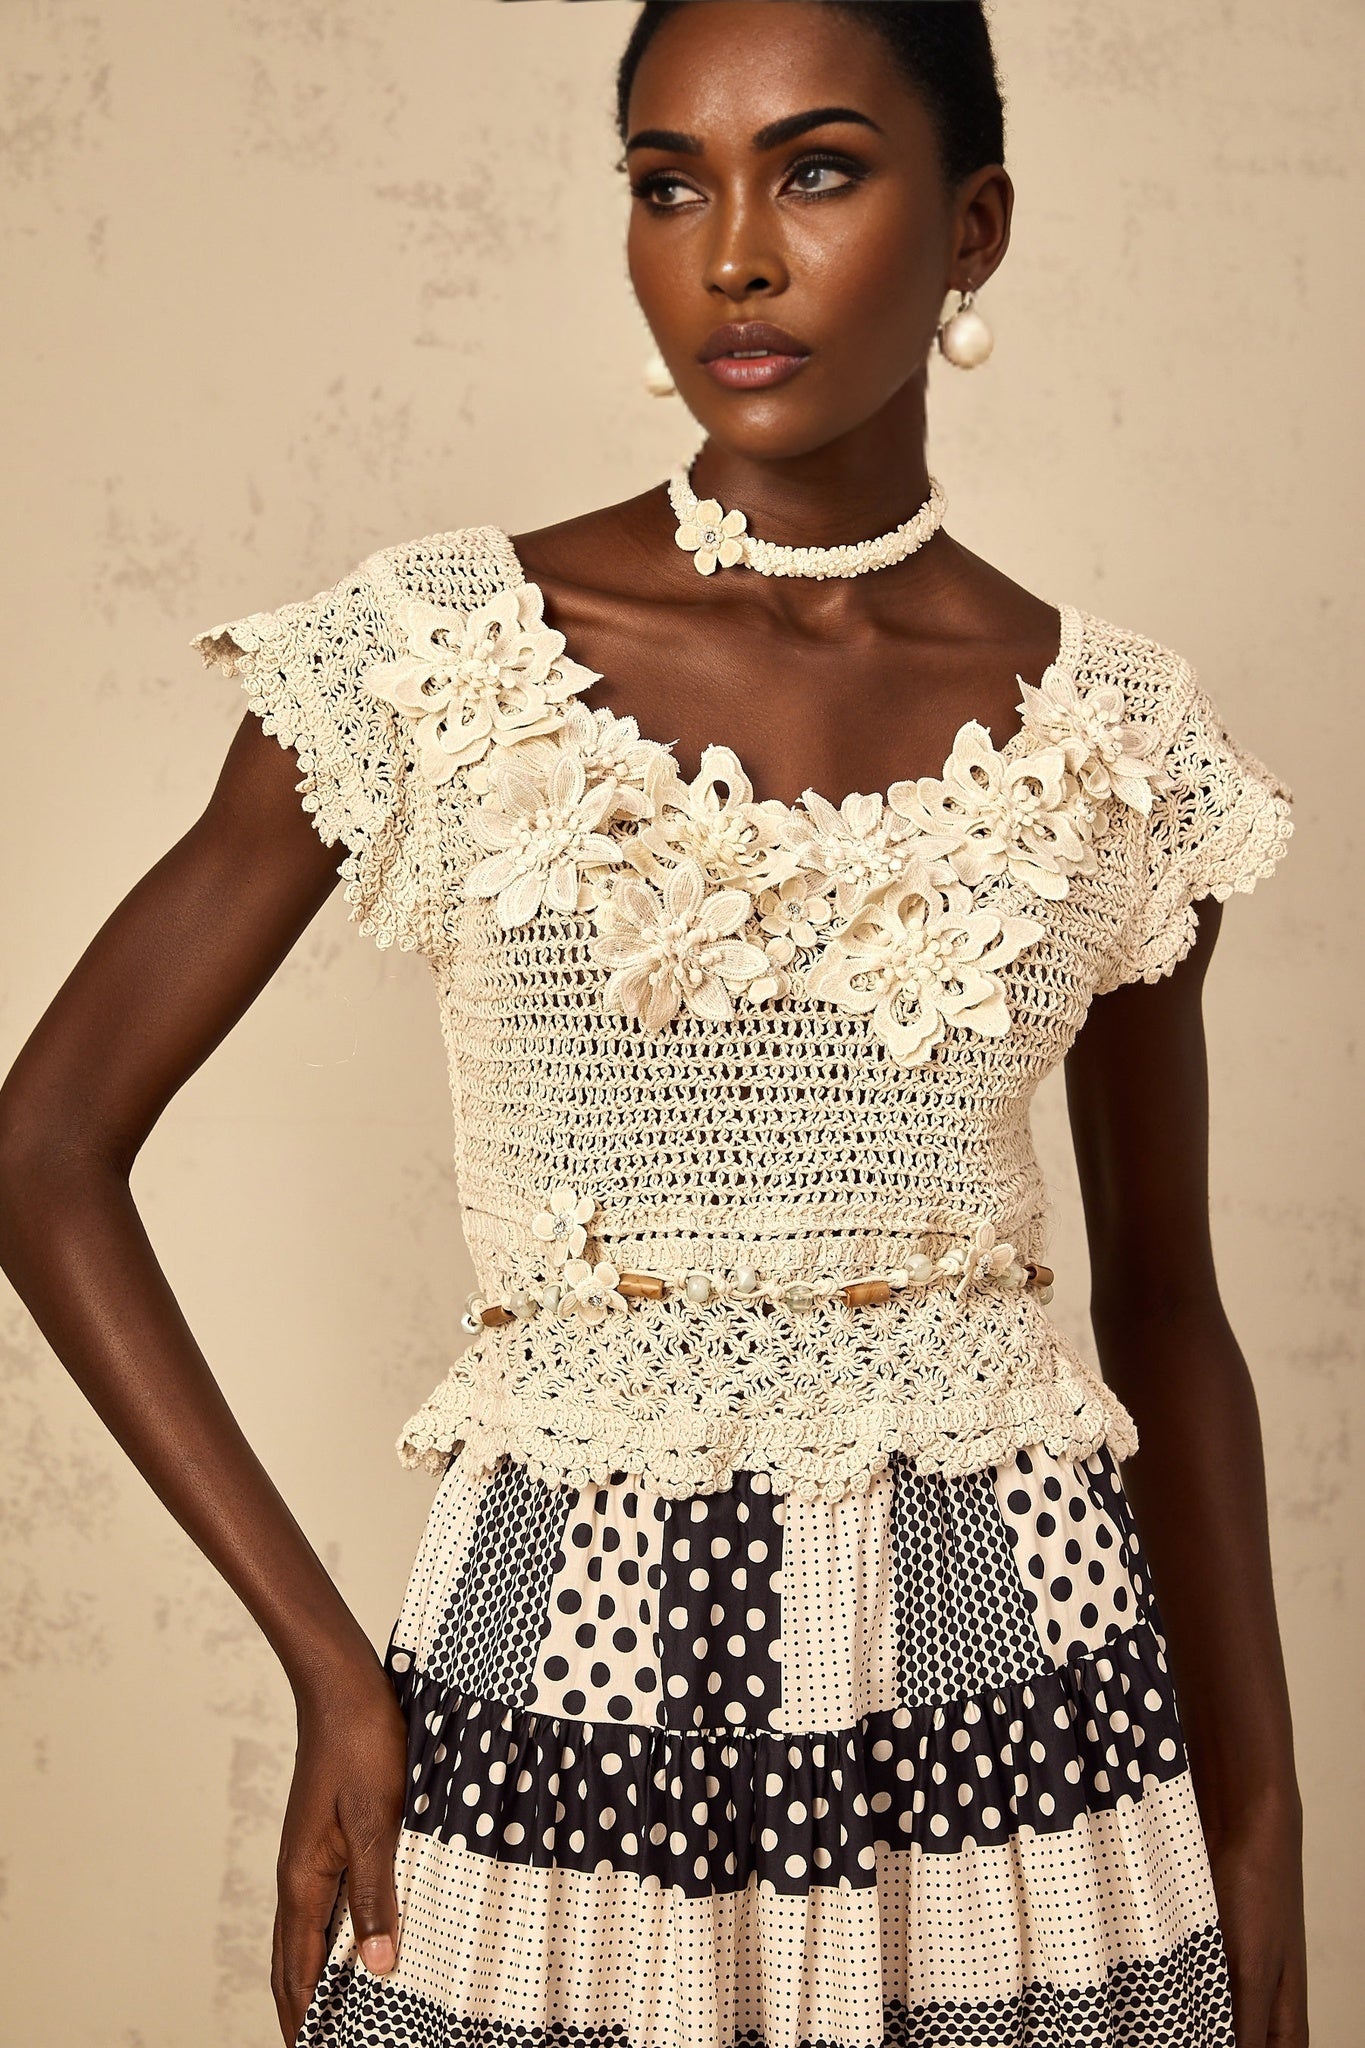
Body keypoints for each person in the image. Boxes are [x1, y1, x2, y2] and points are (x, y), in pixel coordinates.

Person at [0, 4, 1307, 2045]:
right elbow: (44, 1152)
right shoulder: (439, 655)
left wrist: (1262, 1838)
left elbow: (1165, 1310)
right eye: (665, 185)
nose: (734, 257)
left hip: (1020, 1737)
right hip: (559, 1697)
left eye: (815, 170)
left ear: (970, 229)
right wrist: (326, 1665)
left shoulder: (1118, 743)